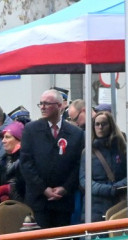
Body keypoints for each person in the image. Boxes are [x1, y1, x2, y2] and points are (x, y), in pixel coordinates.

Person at [20, 89, 84, 229]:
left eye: (47, 104)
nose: (42, 107)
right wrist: (43, 188)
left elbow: (78, 165)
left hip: (63, 202)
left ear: (60, 106)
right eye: (41, 104)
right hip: (38, 201)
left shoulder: (76, 133)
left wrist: (65, 188)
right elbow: (26, 163)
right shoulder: (31, 130)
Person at [80, 110, 127, 222]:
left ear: (110, 126)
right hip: (95, 204)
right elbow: (84, 181)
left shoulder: (121, 148)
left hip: (118, 201)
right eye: (97, 124)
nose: (100, 127)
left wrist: (117, 187)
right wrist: (107, 189)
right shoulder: (87, 152)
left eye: (104, 124)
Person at [0, 121, 24, 206]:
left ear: (18, 140)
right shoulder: (0, 161)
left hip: (21, 209)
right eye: (3, 137)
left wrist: (9, 190)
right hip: (2, 209)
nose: (3, 141)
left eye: (7, 137)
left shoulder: (26, 161)